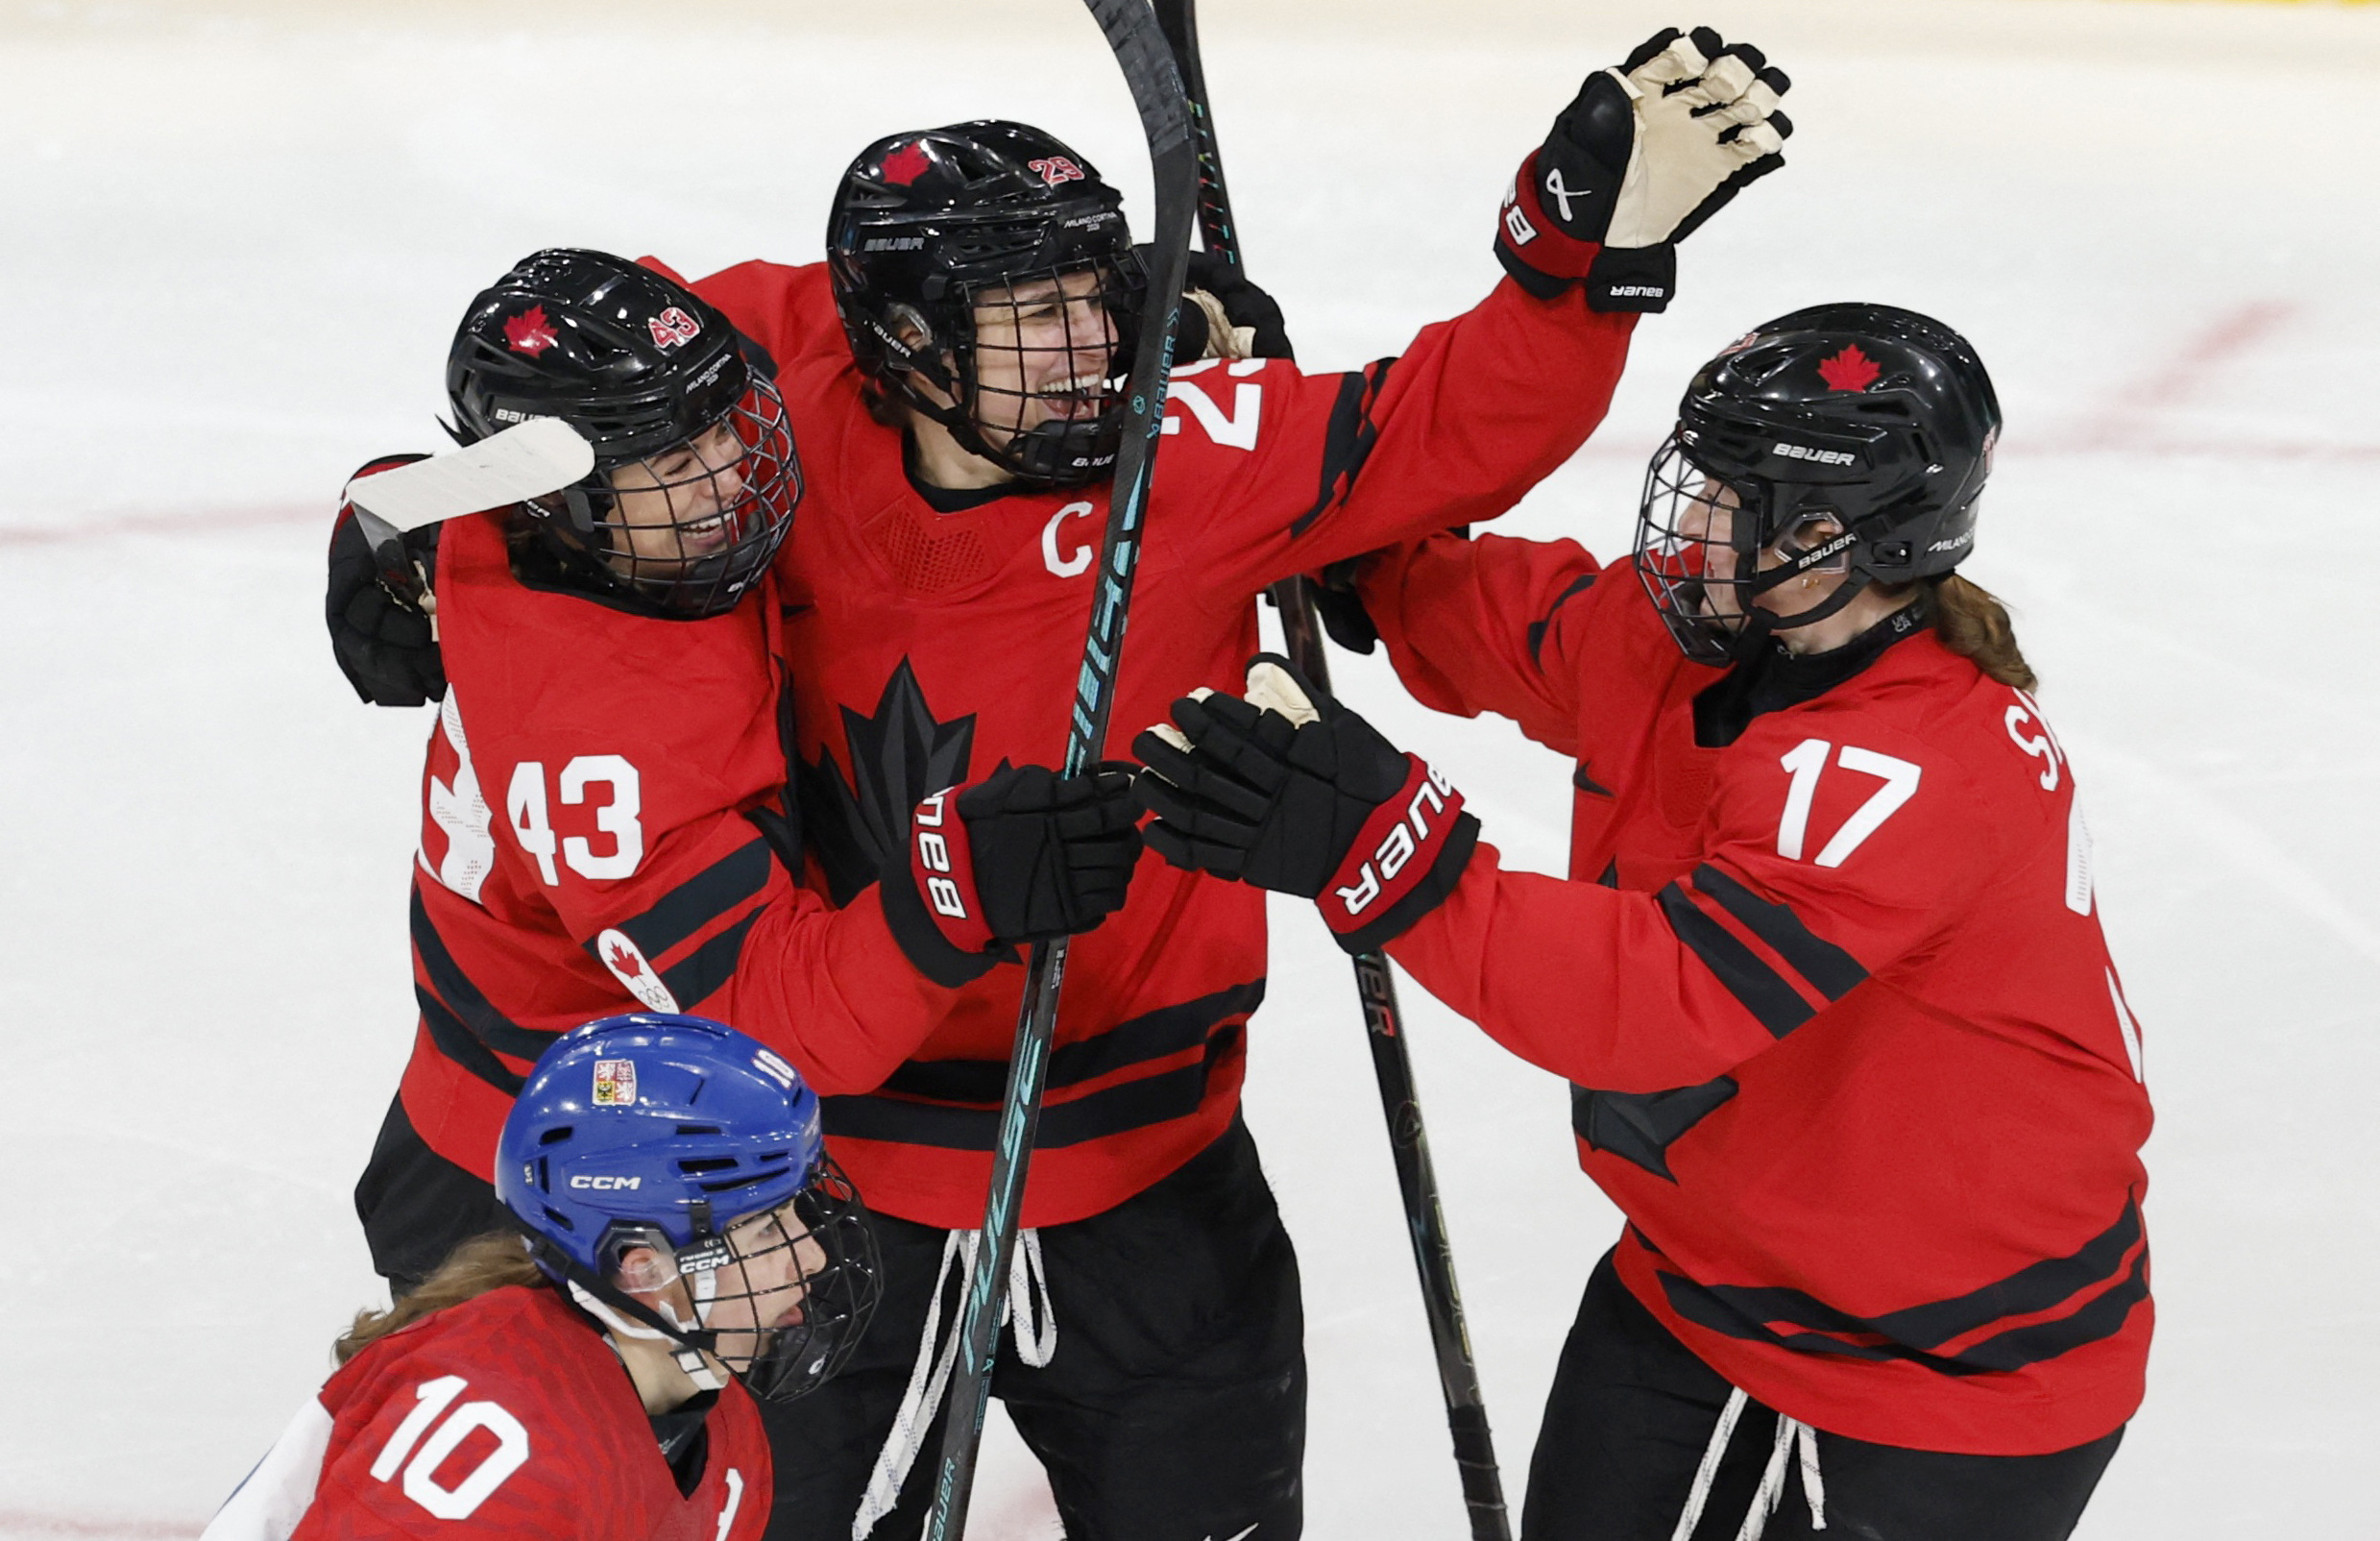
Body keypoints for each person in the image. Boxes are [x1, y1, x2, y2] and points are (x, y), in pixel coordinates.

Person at [326, 30, 1796, 1541]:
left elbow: (1450, 423)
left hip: (1147, 1165)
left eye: (1094, 295)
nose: (1091, 343)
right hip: (826, 1188)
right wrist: (410, 505)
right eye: (1028, 315)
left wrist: (1573, 259)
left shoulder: (1170, 446)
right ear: (895, 341)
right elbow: (579, 393)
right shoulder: (735, 477)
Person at [1135, 305, 2151, 1541]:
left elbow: (1658, 1000)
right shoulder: (1711, 643)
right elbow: (1514, 621)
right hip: (1696, 1288)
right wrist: (1331, 502)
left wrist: (1378, 845)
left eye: (1733, 497)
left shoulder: (1913, 764)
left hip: (1952, 1367)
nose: (1689, 516)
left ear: (1833, 538)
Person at [352, 248, 1140, 1300]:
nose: (730, 473)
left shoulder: (578, 484)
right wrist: (963, 886)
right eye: (677, 466)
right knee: (594, 1455)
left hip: (625, 1126)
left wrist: (1065, 299)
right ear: (562, 499)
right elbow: (779, 1019)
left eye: (724, 423)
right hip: (542, 1181)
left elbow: (786, 306)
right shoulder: (594, 733)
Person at [202, 1013, 881, 1541]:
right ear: (640, 1266)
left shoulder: (718, 1426)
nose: (812, 1257)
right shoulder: (501, 1448)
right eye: (766, 1231)